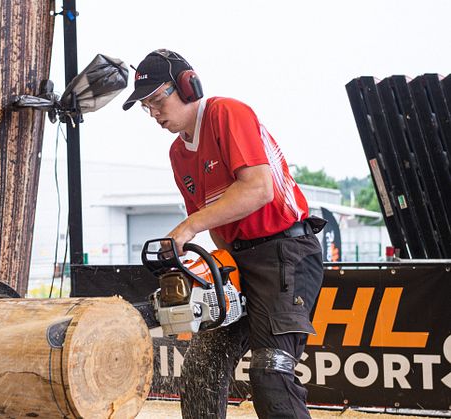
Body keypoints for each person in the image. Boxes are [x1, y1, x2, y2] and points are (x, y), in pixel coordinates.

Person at [122, 49, 325, 418]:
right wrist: (222, 271)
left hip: (286, 253)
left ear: (187, 86)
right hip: (238, 258)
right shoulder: (177, 154)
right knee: (203, 364)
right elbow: (213, 220)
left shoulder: (226, 113)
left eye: (156, 100)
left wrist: (186, 229)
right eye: (145, 106)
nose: (152, 112)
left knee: (270, 369)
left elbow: (257, 189)